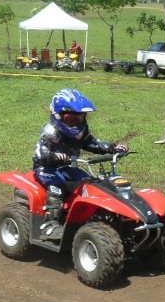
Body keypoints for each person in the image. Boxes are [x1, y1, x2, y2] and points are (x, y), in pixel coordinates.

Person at [33, 89, 129, 240]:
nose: (77, 122)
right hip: (46, 168)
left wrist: (111, 147)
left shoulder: (82, 132)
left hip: (69, 167)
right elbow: (39, 153)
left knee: (89, 183)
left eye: (80, 118)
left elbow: (92, 143)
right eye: (72, 119)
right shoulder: (50, 131)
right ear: (58, 116)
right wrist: (53, 156)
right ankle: (49, 225)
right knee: (56, 187)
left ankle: (90, 218)